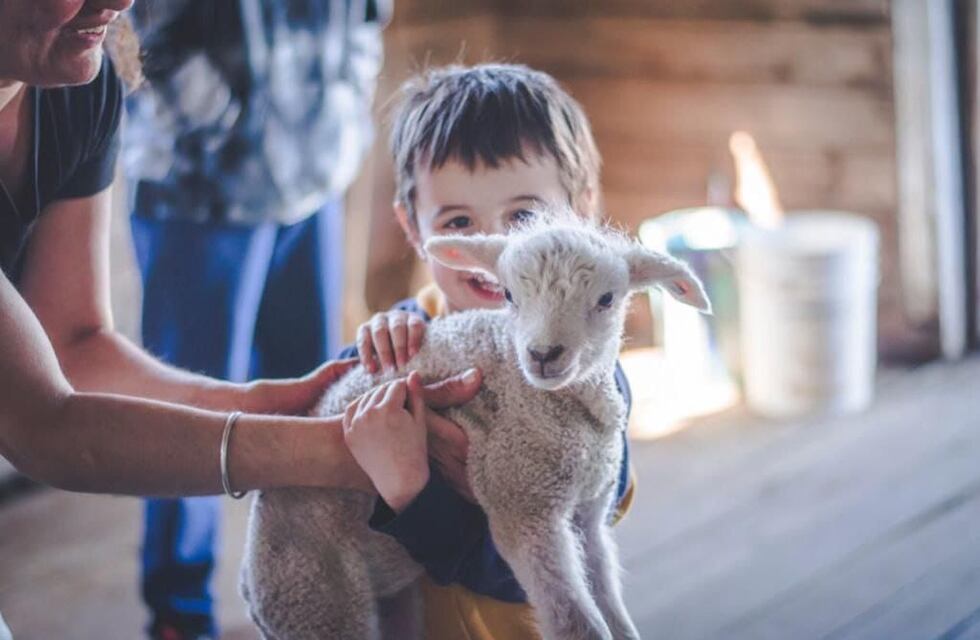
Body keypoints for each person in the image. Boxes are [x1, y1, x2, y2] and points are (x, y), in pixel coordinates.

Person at [0, 2, 476, 638]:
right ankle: (179, 611)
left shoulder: (80, 81)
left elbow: (74, 345)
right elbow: (40, 424)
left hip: (305, 163)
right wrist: (331, 452)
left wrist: (255, 403)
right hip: (208, 179)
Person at [120, 2, 391, 636]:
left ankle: (305, 596)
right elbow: (148, 25)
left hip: (312, 182)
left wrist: (339, 120)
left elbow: (368, 16)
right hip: (198, 188)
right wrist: (227, 126)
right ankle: (179, 614)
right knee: (189, 409)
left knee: (314, 399)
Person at [343, 63, 636, 640]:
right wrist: (370, 349)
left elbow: (522, 571)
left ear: (580, 211)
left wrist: (412, 493)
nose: (495, 251)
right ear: (414, 227)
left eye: (523, 217)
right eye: (459, 221)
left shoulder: (582, 379)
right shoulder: (403, 337)